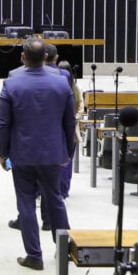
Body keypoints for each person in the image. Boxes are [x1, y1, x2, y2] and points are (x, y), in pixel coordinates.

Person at [0, 37, 76, 271]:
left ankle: (34, 255)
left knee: (26, 203)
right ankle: (63, 249)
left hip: (21, 154)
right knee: (55, 200)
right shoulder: (62, 83)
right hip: (53, 153)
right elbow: (69, 123)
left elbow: (3, 124)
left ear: (22, 57)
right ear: (45, 58)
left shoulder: (11, 84)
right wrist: (67, 151)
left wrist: (3, 153)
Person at [57, 60, 83, 199]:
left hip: (71, 130)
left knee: (66, 162)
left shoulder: (75, 88)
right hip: (57, 130)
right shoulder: (55, 87)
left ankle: (64, 191)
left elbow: (80, 108)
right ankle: (61, 191)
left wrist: (73, 118)